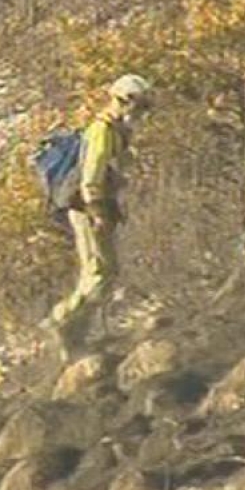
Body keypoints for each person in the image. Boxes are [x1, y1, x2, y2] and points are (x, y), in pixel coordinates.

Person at [46, 73, 153, 363]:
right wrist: (97, 211)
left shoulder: (116, 131)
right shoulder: (103, 131)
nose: (142, 113)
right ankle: (62, 322)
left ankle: (76, 332)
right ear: (123, 101)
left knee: (107, 273)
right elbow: (91, 176)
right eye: (139, 106)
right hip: (86, 209)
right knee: (97, 272)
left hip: (97, 208)